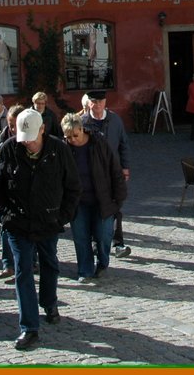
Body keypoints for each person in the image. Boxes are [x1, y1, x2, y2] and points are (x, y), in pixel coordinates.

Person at [0, 109, 80, 351]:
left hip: (49, 221)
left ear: (42, 130)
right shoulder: (9, 148)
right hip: (18, 223)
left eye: (31, 137)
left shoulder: (58, 149)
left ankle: (49, 302)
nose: (27, 142)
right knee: (23, 272)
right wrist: (5, 217)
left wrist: (62, 217)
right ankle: (29, 327)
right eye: (23, 137)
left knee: (50, 264)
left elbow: (73, 187)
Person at [60, 114, 125, 283]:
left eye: (75, 135)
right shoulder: (64, 148)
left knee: (104, 235)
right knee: (81, 237)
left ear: (82, 129)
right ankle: (85, 270)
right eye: (68, 137)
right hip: (78, 202)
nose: (72, 140)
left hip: (102, 199)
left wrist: (118, 198)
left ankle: (103, 262)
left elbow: (114, 168)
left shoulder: (98, 143)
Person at [82, 91, 132, 257]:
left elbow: (123, 144)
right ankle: (96, 242)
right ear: (89, 103)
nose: (97, 105)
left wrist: (125, 167)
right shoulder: (83, 122)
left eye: (100, 101)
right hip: (91, 173)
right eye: (94, 102)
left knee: (116, 207)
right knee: (95, 207)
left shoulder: (114, 119)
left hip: (113, 172)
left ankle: (118, 243)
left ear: (105, 102)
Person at [0, 105, 24, 282]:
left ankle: (26, 264)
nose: (14, 129)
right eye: (11, 124)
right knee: (6, 229)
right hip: (5, 193)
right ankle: (8, 265)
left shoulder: (30, 141)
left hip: (23, 194)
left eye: (17, 125)